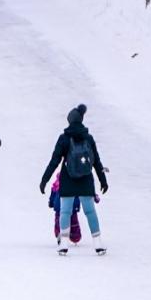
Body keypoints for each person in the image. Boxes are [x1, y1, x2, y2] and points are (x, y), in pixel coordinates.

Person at [39, 103, 108, 253]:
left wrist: (44, 180)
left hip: (68, 179)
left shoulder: (64, 138)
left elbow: (54, 161)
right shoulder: (88, 138)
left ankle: (63, 243)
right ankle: (98, 243)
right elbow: (96, 161)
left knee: (65, 211)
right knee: (90, 211)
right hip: (85, 179)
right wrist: (103, 180)